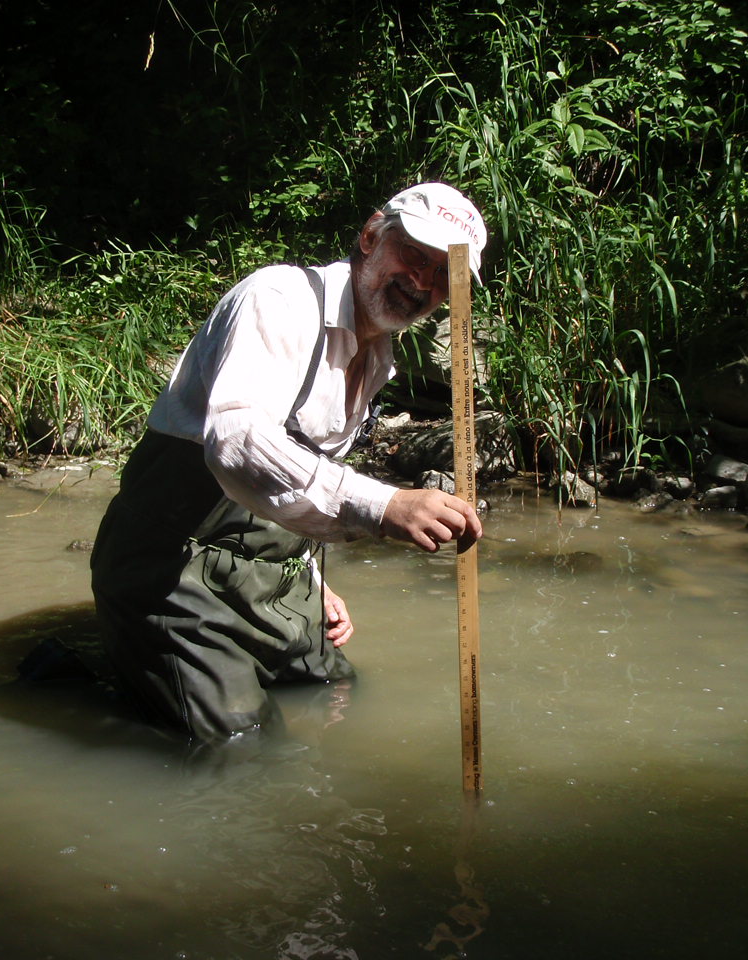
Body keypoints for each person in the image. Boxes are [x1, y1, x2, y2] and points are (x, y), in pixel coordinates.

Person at [89, 182, 487, 743]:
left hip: (270, 576)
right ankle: (105, 671)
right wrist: (385, 504)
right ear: (371, 235)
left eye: (442, 273)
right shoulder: (279, 301)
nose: (421, 281)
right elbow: (238, 443)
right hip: (171, 571)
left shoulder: (376, 357)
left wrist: (312, 575)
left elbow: (296, 476)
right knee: (240, 745)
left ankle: (137, 675)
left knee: (339, 691)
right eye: (412, 255)